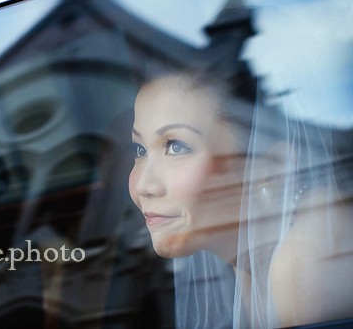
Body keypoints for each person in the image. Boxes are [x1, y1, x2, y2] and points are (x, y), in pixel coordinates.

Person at [128, 71, 353, 328]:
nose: (144, 185)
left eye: (176, 147)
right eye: (140, 150)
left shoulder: (302, 267)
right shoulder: (247, 250)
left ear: (271, 167)